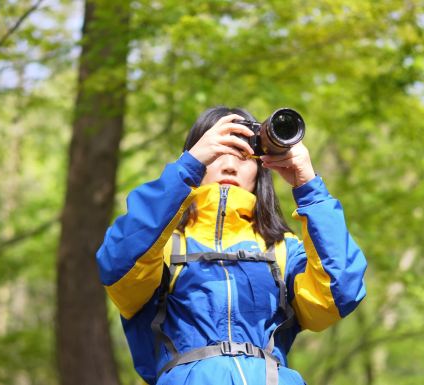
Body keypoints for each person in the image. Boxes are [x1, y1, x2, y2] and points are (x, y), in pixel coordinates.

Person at [96, 106, 367, 385]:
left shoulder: (283, 250)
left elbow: (340, 292)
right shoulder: (159, 246)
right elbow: (117, 264)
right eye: (219, 152)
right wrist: (187, 167)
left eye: (243, 155)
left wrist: (309, 186)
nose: (229, 165)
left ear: (261, 168)